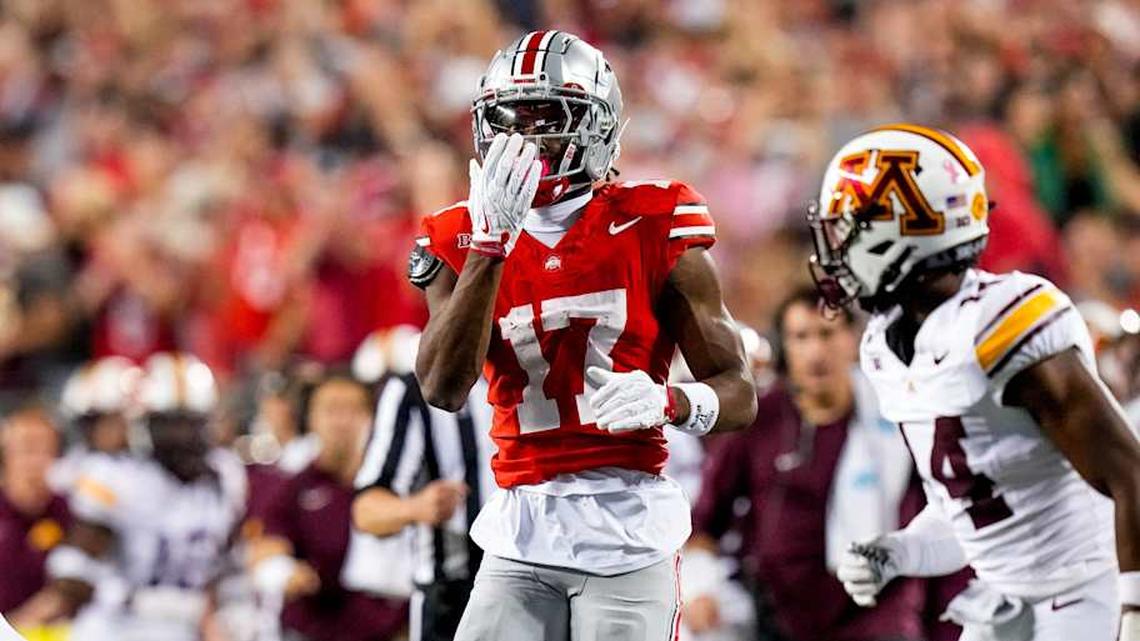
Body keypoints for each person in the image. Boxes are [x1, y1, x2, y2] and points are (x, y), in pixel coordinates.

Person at [411, 30, 756, 641]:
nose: (525, 140)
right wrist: (490, 247)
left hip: (628, 529)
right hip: (520, 526)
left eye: (546, 120)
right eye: (509, 121)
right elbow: (442, 386)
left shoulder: (654, 220)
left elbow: (738, 391)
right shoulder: (461, 233)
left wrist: (669, 401)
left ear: (595, 127)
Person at [808, 124, 1140, 641]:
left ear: (900, 230)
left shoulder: (1002, 325)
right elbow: (970, 511)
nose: (837, 250)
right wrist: (900, 552)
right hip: (1001, 600)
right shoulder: (886, 346)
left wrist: (1135, 608)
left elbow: (1130, 475)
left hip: (1088, 596)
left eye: (850, 229)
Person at [687, 287, 927, 641]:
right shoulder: (758, 418)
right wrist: (698, 586)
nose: (816, 351)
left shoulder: (898, 416)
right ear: (784, 348)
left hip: (878, 617)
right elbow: (705, 523)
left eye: (827, 333)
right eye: (801, 337)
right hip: (776, 617)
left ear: (852, 340)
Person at [10, 352, 247, 641]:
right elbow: (77, 574)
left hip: (187, 628)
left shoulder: (225, 477)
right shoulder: (118, 477)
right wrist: (20, 624)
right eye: (168, 424)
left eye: (189, 423)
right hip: (120, 626)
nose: (180, 437)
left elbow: (224, 567)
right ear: (144, 425)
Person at [351, 344, 495, 641]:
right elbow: (366, 511)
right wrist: (416, 507)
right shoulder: (412, 390)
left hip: (546, 586)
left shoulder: (538, 370)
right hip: (452, 598)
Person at [250, 371, 406, 641]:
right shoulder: (294, 487)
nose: (342, 421)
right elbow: (265, 550)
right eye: (331, 409)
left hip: (386, 630)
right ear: (310, 419)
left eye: (353, 409)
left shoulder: (398, 483)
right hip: (315, 628)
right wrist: (285, 572)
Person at [0, 406, 69, 637]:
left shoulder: (71, 511)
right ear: (5, 456)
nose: (37, 461)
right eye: (28, 449)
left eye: (47, 450)